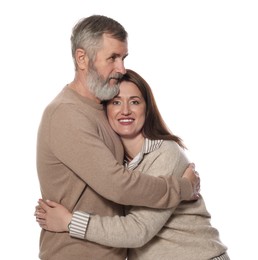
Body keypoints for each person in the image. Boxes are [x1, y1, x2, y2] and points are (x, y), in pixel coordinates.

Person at [36, 15, 200, 260]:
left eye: (123, 58)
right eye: (112, 58)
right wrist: (182, 187)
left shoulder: (102, 108)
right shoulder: (66, 114)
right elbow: (118, 185)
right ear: (82, 58)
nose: (121, 69)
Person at [36, 69, 229, 260]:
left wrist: (69, 221)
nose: (125, 110)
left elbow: (137, 231)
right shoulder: (114, 163)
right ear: (105, 110)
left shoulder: (165, 153)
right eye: (116, 102)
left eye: (135, 102)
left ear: (147, 108)